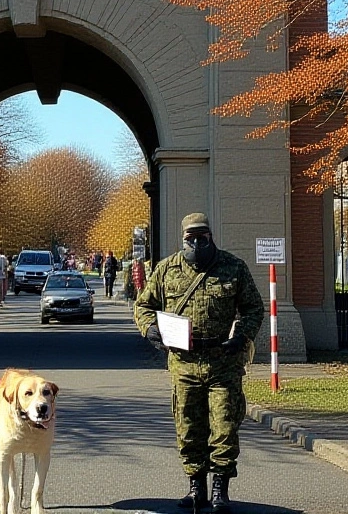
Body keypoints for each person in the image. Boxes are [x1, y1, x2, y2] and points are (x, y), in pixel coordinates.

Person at [134, 214, 264, 514]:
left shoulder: (233, 268)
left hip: (223, 361)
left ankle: (221, 489)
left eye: (202, 238)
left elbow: (253, 308)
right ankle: (196, 487)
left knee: (224, 426)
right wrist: (149, 329)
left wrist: (241, 336)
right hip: (184, 363)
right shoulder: (166, 270)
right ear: (183, 239)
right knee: (188, 427)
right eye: (190, 239)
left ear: (211, 237)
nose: (196, 243)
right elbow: (144, 306)